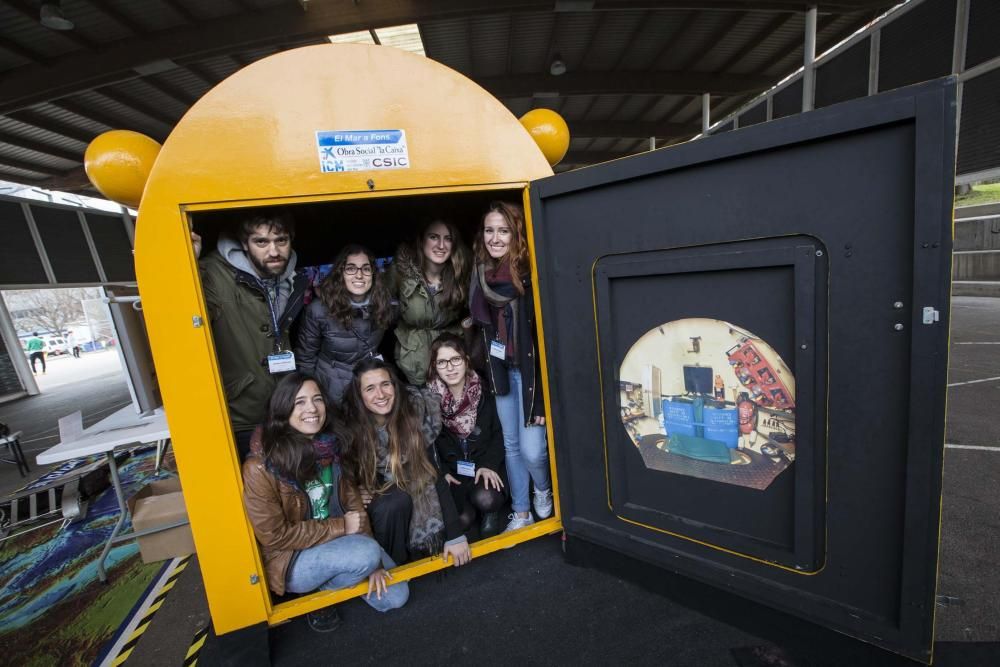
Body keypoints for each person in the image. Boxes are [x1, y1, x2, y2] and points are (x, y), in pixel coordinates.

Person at [242, 372, 408, 633]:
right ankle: (314, 592)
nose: (312, 409)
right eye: (300, 402)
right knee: (365, 554)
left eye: (317, 399)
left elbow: (354, 506)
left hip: (342, 541)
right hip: (294, 557)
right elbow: (274, 537)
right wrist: (344, 529)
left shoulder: (331, 446)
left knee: (397, 597)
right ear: (283, 410)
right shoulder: (260, 466)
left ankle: (338, 579)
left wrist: (373, 566)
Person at [195, 210, 308, 461]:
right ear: (244, 244)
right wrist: (184, 267)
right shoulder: (211, 275)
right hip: (243, 414)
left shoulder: (289, 277)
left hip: (283, 408)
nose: (274, 251)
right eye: (261, 242)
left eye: (281, 240)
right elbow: (181, 320)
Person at [469, 201, 553, 532]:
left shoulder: (531, 273)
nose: (495, 238)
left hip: (533, 376)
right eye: (490, 230)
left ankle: (543, 490)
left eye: (503, 230)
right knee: (511, 446)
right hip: (501, 373)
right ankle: (520, 512)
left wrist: (544, 395)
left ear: (516, 234)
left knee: (534, 451)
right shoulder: (479, 274)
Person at [341, 357, 471, 567]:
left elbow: (432, 471)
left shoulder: (413, 415)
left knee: (459, 506)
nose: (380, 394)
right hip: (382, 507)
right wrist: (357, 490)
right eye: (370, 388)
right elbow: (344, 478)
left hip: (415, 490)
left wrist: (455, 535)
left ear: (395, 386)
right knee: (395, 501)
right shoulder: (350, 427)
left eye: (385, 384)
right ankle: (394, 564)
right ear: (359, 395)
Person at [427, 334, 507, 538]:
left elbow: (499, 434)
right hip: (453, 473)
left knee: (487, 499)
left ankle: (490, 511)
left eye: (456, 359)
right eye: (442, 362)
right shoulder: (427, 400)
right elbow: (427, 445)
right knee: (460, 520)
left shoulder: (485, 389)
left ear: (466, 361)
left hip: (483, 466)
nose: (450, 367)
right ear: (434, 366)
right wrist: (441, 472)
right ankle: (472, 513)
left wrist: (489, 464)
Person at [296, 244, 395, 406]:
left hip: (367, 389)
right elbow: (305, 359)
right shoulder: (318, 309)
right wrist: (312, 397)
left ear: (373, 274)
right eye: (351, 268)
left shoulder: (383, 304)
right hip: (331, 392)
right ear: (340, 274)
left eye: (365, 269)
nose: (359, 275)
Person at [388, 219, 471, 385]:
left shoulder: (462, 273)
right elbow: (380, 309)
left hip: (451, 364)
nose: (441, 245)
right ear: (421, 240)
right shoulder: (400, 272)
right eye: (434, 237)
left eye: (448, 239)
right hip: (412, 365)